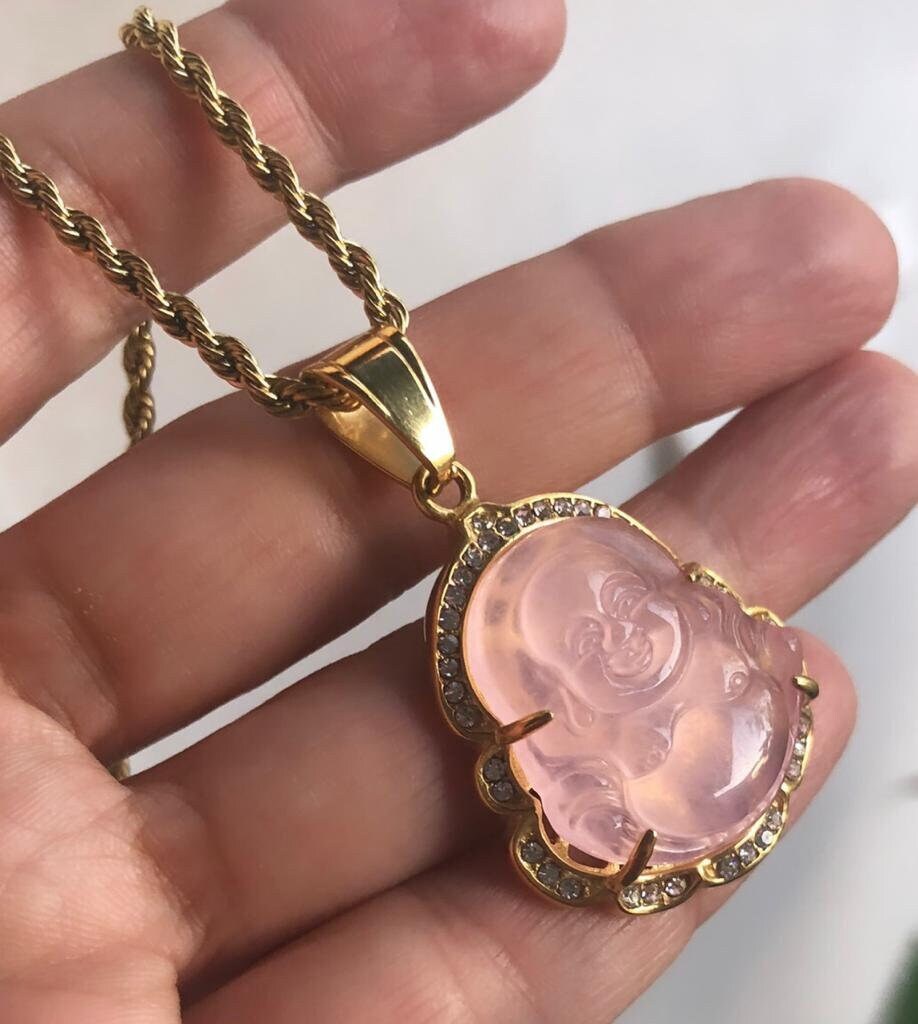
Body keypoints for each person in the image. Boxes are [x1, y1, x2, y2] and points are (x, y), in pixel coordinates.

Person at [0, 1, 914, 1021]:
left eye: (622, 610)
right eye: (596, 633)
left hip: (723, 759)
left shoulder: (685, 650)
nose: (617, 630)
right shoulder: (554, 703)